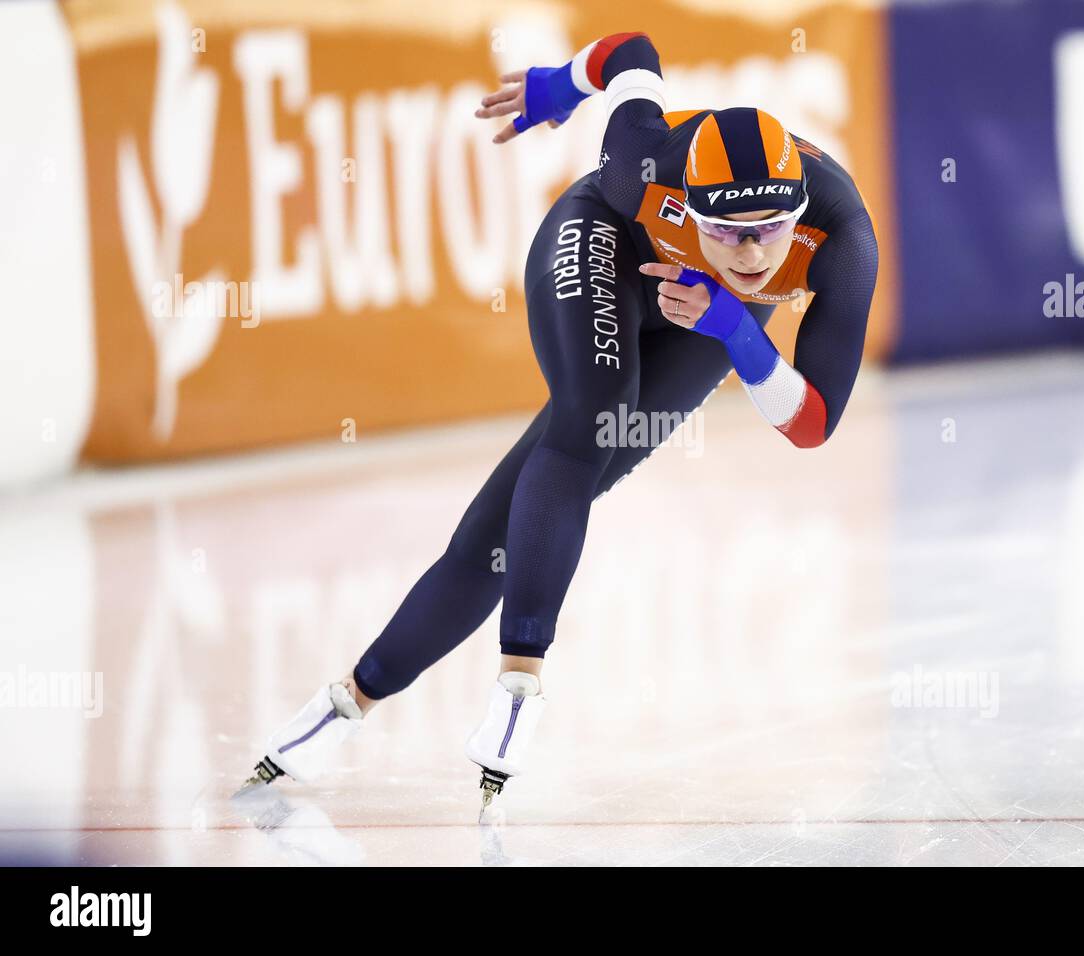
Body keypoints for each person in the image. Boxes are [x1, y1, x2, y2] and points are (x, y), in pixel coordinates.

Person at [239, 31, 879, 812]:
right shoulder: (644, 161)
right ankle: (522, 680)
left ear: (801, 211)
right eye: (723, 229)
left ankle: (343, 705)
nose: (748, 252)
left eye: (769, 230)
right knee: (592, 417)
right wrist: (561, 85)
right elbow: (635, 51)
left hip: (709, 324)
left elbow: (813, 424)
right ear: (688, 200)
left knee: (504, 536)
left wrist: (739, 329)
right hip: (601, 245)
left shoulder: (841, 239)